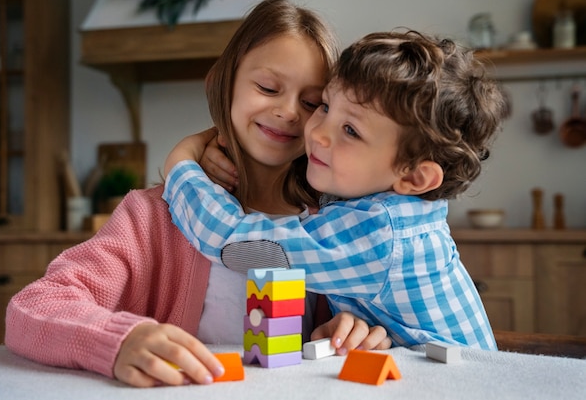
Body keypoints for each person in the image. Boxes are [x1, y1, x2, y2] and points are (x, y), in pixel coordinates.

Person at [5, 0, 391, 389]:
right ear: (222, 86)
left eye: (312, 103)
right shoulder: (153, 217)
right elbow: (34, 307)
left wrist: (353, 328)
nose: (290, 112)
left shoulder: (336, 225)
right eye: (268, 87)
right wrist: (118, 340)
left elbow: (371, 331)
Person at [163, 30, 510, 350]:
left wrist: (182, 163)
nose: (317, 133)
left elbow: (237, 244)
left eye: (351, 130)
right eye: (325, 106)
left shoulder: (379, 234)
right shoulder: (386, 207)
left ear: (415, 178)